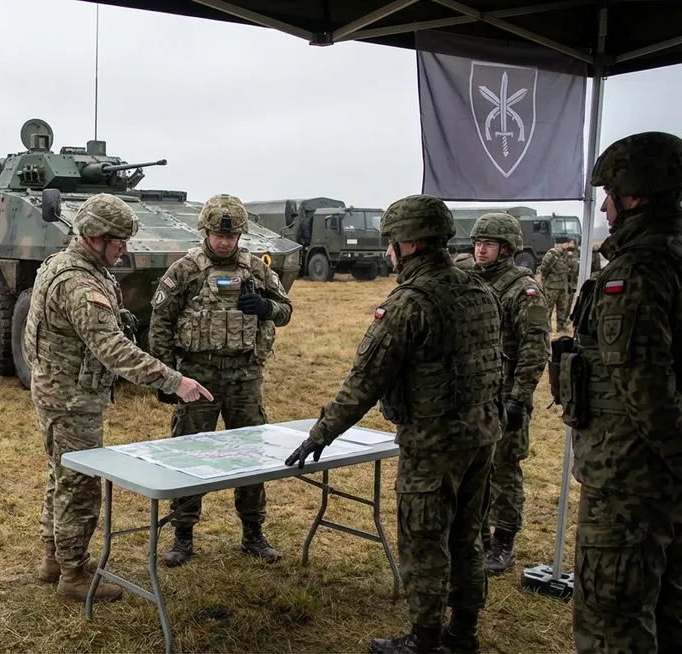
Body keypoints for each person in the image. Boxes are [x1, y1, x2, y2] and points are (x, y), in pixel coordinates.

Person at [286, 194, 504, 654]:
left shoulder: (409, 303)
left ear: (407, 245)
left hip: (433, 444)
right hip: (482, 436)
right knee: (467, 538)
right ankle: (464, 632)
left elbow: (364, 382)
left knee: (425, 541)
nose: (388, 249)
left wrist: (319, 433)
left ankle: (424, 640)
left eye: (391, 241)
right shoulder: (479, 289)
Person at [24, 193, 213, 603]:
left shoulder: (68, 265)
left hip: (61, 390)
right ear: (93, 236)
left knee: (61, 473)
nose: (124, 249)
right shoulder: (77, 282)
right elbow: (112, 348)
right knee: (80, 483)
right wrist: (173, 381)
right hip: (71, 398)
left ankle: (55, 558)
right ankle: (72, 575)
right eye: (118, 241)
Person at [559, 130, 682, 653]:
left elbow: (648, 395)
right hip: (663, 480)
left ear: (635, 195)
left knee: (612, 621)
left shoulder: (633, 277)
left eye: (609, 193)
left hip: (631, 480)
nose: (604, 205)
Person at [147, 193, 294, 567]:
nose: (224, 242)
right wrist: (167, 377)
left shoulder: (256, 269)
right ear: (205, 232)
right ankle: (182, 535)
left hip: (245, 375)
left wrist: (265, 308)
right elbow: (161, 323)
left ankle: (253, 532)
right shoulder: (185, 270)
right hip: (199, 375)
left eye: (231, 236)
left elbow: (285, 310)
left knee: (251, 455)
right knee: (188, 454)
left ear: (241, 235)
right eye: (218, 235)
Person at [467, 213, 550, 575]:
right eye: (478, 243)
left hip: (505, 396)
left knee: (504, 471)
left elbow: (535, 348)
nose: (480, 249)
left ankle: (503, 543)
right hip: (475, 394)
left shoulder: (523, 289)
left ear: (506, 249)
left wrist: (519, 397)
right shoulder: (470, 281)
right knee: (475, 470)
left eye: (488, 244)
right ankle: (478, 537)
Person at [538, 236, 579, 332]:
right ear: (562, 243)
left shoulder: (565, 254)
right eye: (567, 243)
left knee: (562, 308)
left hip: (563, 287)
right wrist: (544, 281)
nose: (569, 245)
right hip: (552, 287)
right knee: (548, 308)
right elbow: (544, 268)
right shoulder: (552, 254)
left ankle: (561, 327)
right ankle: (547, 328)